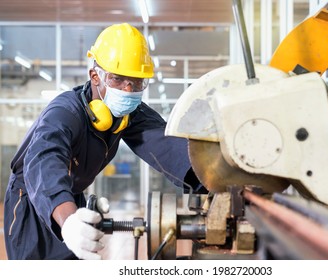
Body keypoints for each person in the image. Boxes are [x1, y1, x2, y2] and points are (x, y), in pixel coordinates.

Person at [3, 23, 205, 260]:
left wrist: (208, 179)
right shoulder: (65, 112)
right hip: (32, 199)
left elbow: (166, 145)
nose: (128, 89)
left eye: (137, 81)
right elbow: (44, 161)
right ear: (95, 76)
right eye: (118, 79)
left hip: (70, 195)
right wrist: (68, 221)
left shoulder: (130, 114)